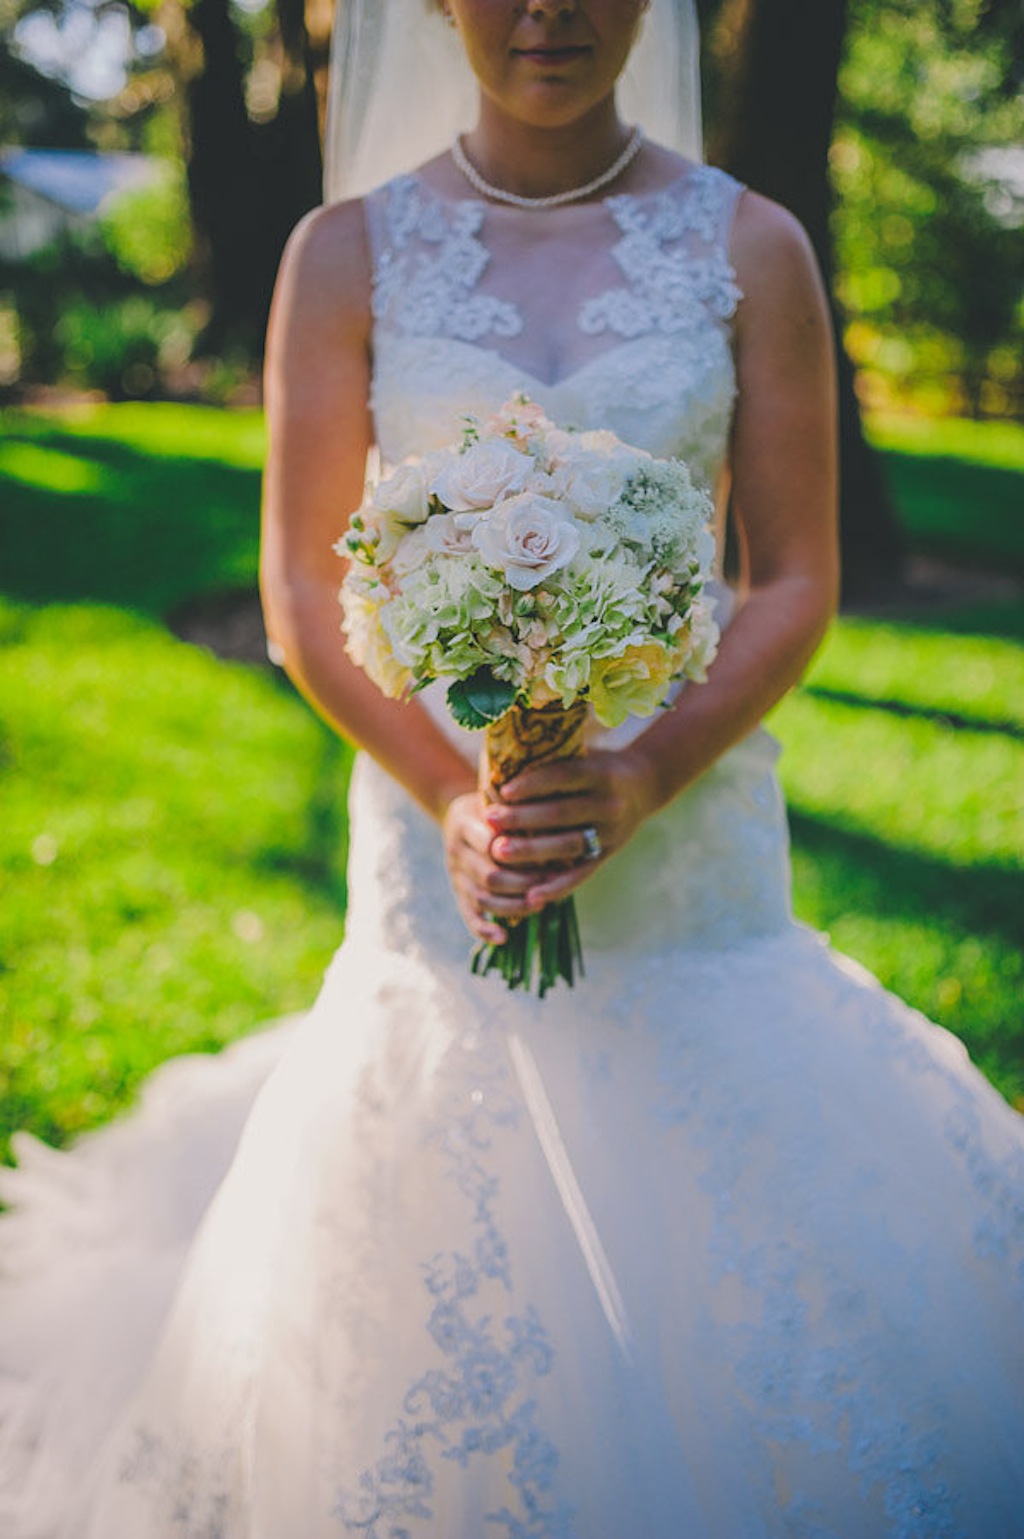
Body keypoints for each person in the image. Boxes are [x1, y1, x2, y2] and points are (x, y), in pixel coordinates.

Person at [1, 1, 1022, 1535]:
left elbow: (795, 575)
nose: (548, 9)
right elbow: (301, 591)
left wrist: (644, 770)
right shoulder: (343, 255)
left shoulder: (753, 247)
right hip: (437, 854)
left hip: (691, 862)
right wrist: (456, 799)